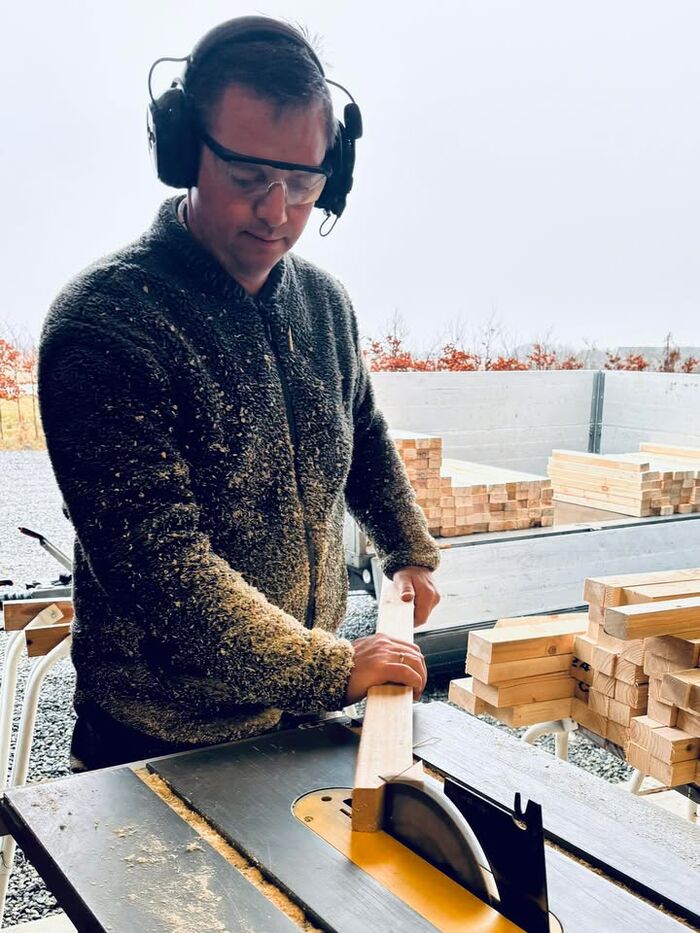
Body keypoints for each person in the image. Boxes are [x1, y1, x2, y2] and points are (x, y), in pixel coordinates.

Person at [38, 16, 440, 771]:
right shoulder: (105, 324)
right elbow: (162, 569)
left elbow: (361, 431)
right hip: (161, 736)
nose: (277, 211)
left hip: (299, 714)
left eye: (304, 183)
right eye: (249, 178)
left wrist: (407, 550)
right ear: (184, 153)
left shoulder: (325, 304)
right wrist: (333, 668)